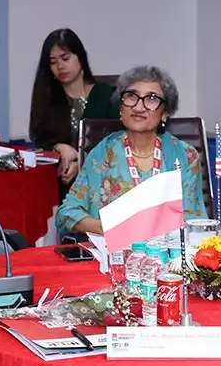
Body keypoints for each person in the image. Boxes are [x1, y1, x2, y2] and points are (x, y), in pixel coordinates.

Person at [56, 65, 207, 235]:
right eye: (131, 96)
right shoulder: (103, 153)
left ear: (164, 113)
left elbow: (194, 222)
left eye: (151, 98)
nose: (138, 107)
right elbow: (66, 214)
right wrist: (108, 229)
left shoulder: (185, 156)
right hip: (112, 248)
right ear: (121, 107)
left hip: (169, 249)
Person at [28, 28, 117, 199]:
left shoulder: (106, 95)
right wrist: (58, 147)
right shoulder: (48, 98)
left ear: (80, 57)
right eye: (53, 62)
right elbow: (41, 140)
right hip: (60, 184)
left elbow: (115, 144)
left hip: (103, 183)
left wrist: (81, 163)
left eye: (65, 58)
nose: (60, 66)